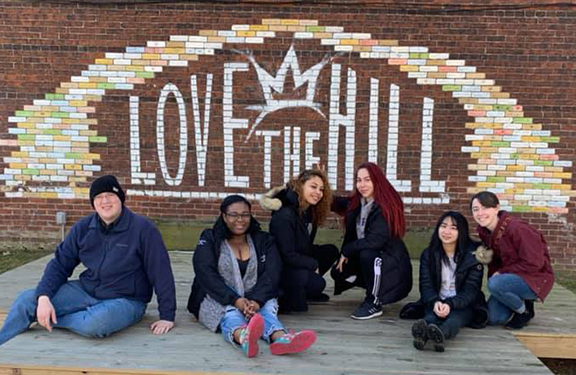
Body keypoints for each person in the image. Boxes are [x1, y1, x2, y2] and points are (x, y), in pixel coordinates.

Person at [0, 175, 176, 346]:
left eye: (110, 196)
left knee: (96, 324)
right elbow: (60, 264)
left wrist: (167, 316)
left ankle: (47, 318)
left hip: (126, 299)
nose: (105, 201)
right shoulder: (83, 228)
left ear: (121, 199)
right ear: (93, 203)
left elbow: (161, 272)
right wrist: (44, 297)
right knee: (26, 300)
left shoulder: (143, 229)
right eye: (99, 197)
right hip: (87, 289)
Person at [187, 195, 317, 358]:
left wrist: (255, 301)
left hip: (257, 296)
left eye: (245, 214)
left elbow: (272, 274)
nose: (240, 219)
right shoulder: (210, 238)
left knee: (265, 313)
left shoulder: (264, 240)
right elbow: (205, 273)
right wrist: (236, 300)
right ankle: (244, 337)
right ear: (224, 216)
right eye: (233, 214)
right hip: (219, 296)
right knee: (230, 314)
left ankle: (281, 339)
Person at [331, 162, 412, 320]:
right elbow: (334, 202)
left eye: (367, 180)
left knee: (368, 254)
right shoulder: (358, 203)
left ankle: (374, 301)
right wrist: (321, 183)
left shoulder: (385, 207)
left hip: (390, 265)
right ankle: (372, 285)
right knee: (338, 272)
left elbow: (374, 242)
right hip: (369, 260)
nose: (362, 185)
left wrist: (347, 250)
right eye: (359, 180)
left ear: (377, 180)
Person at [470, 191, 554, 329]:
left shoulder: (518, 229)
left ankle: (524, 312)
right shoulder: (484, 231)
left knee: (495, 283)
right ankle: (523, 302)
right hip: (511, 278)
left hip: (535, 279)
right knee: (494, 318)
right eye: (476, 209)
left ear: (497, 208)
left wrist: (502, 272)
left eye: (485, 208)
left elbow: (535, 263)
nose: (480, 213)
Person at [260, 169, 339, 312]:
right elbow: (286, 255)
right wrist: (312, 264)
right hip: (283, 266)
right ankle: (298, 289)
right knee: (318, 284)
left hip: (298, 255)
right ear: (300, 186)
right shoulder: (284, 215)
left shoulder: (307, 209)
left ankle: (305, 287)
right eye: (313, 187)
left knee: (330, 251)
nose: (318, 193)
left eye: (321, 189)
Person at [409, 211, 487, 352]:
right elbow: (425, 285)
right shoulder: (429, 254)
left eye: (453, 228)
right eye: (443, 226)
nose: (447, 231)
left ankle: (441, 335)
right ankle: (421, 335)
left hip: (463, 304)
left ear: (461, 232)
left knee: (455, 319)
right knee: (431, 317)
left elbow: (471, 290)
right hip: (436, 300)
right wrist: (435, 302)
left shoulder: (473, 257)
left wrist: (450, 304)